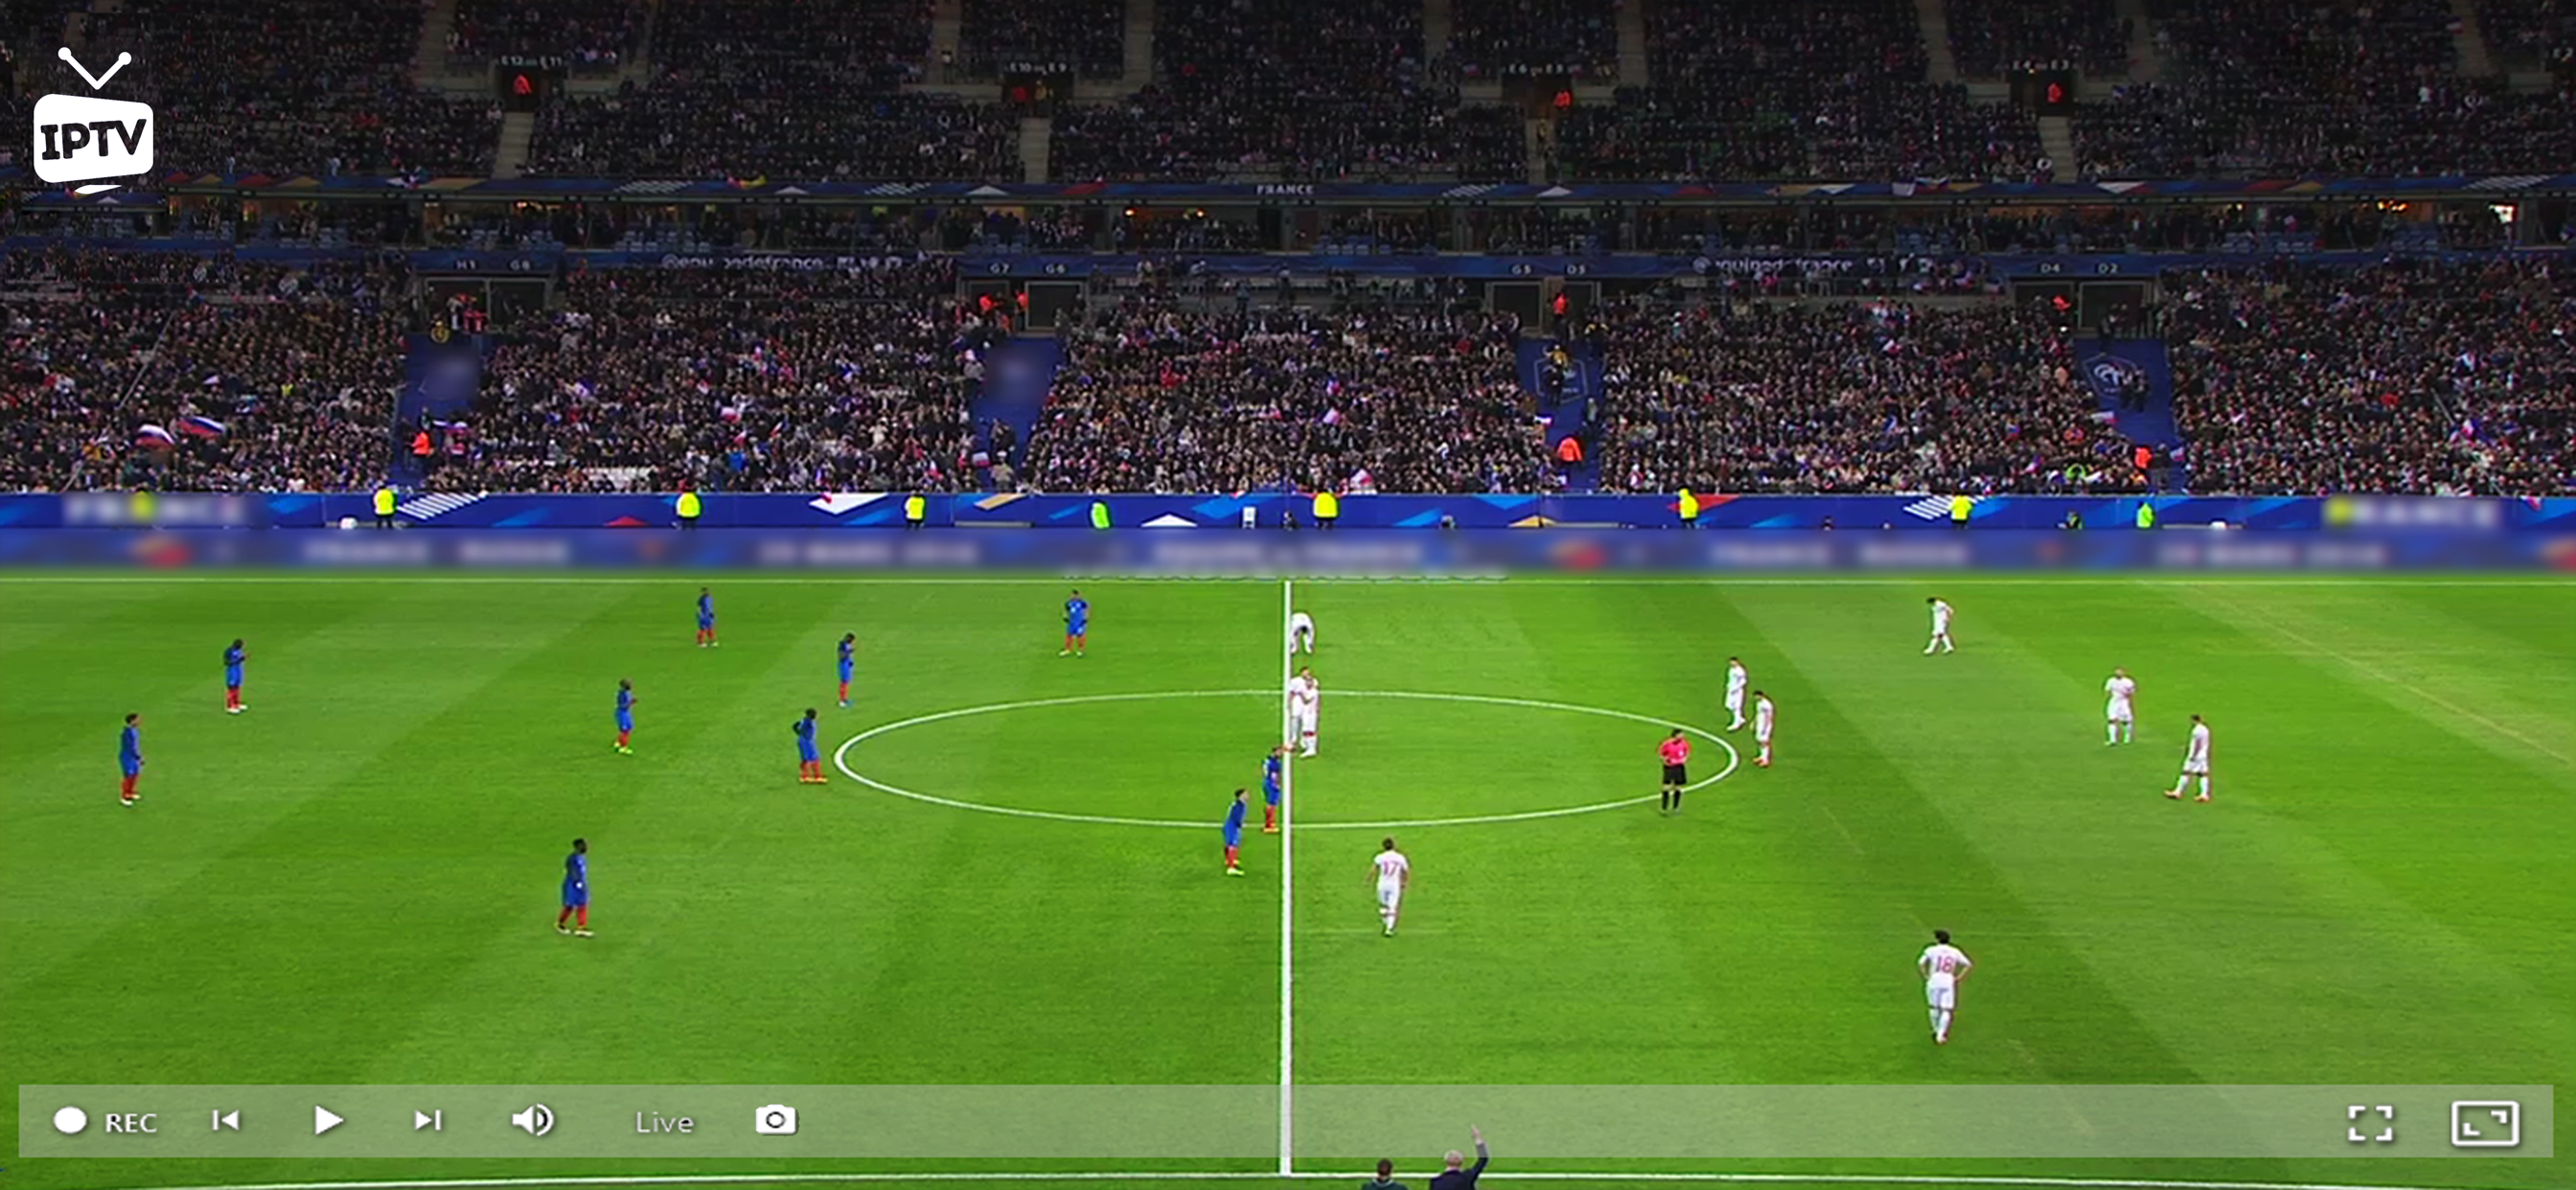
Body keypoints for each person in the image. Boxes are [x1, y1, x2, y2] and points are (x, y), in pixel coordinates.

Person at [1918, 929, 1971, 1044]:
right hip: (1948, 981)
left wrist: (1926, 976)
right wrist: (1959, 978)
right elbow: (1968, 964)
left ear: (1937, 939)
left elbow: (1921, 963)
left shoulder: (1931, 950)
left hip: (1934, 980)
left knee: (1933, 1007)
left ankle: (1936, 1030)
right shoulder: (1954, 951)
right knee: (1946, 1009)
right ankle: (1941, 1035)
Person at [2165, 714, 2212, 802]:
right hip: (2203, 755)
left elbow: (2197, 744)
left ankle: (2177, 792)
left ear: (2194, 720)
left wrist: (2193, 755)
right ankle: (2204, 794)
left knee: (2185, 773)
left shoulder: (2196, 731)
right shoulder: (2205, 729)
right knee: (2203, 774)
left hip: (2195, 756)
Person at [1372, 836, 1410, 937]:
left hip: (1382, 884)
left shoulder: (1380, 857)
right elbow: (1406, 871)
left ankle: (1387, 925)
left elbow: (1374, 870)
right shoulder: (1400, 857)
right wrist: (1405, 882)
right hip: (1394, 885)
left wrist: (1368, 879)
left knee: (1383, 906)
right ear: (1394, 845)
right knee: (1392, 907)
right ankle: (1389, 928)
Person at [1429, 1126, 1488, 1190]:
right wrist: (1478, 1138)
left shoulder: (1436, 1182)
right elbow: (1483, 1159)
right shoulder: (1467, 1177)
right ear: (1462, 1161)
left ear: (1445, 1161)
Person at [557, 838, 592, 937]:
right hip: (572, 885)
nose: (586, 847)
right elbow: (572, 870)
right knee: (570, 905)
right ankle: (560, 924)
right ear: (578, 847)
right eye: (584, 845)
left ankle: (581, 928)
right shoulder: (572, 858)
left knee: (583, 904)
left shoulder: (582, 857)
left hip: (581, 883)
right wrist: (578, 883)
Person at [1288, 665, 1321, 758]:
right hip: (1308, 712)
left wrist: (1301, 693)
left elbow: (1306, 700)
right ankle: (1308, 746)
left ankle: (1311, 749)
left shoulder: (1313, 691)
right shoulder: (1300, 685)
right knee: (1306, 730)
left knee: (1309, 730)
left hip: (1310, 713)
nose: (1308, 683)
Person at [1657, 729, 1690, 814]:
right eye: (1680, 735)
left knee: (1678, 787)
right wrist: (1665, 760)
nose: (1682, 736)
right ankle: (1664, 807)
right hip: (1670, 767)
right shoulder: (1667, 744)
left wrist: (1684, 759)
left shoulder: (1684, 744)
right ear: (1675, 735)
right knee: (1666, 787)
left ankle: (1676, 807)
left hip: (1679, 767)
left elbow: (1687, 753)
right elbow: (1661, 755)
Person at [2104, 667, 2137, 745]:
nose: (2118, 674)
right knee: (2111, 720)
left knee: (2125, 721)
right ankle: (2112, 740)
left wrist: (2130, 702)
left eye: (2120, 672)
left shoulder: (2128, 682)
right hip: (2114, 702)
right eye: (2117, 672)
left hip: (2123, 702)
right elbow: (2107, 691)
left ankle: (2127, 738)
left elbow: (2131, 693)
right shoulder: (2111, 681)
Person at [118, 712, 144, 807]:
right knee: (128, 776)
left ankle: (130, 792)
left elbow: (136, 745)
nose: (139, 721)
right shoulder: (127, 733)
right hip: (127, 757)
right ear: (132, 721)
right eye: (137, 719)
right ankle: (124, 797)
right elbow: (130, 747)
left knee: (135, 775)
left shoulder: (135, 730)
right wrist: (138, 756)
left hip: (134, 756)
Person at [794, 708, 826, 784]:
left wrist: (799, 733)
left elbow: (795, 726)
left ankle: (804, 776)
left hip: (802, 740)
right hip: (807, 742)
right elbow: (796, 726)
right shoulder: (809, 722)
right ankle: (817, 776)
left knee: (805, 758)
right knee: (815, 758)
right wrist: (803, 735)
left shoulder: (804, 720)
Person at [1223, 788, 1249, 877]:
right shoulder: (1239, 806)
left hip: (1230, 826)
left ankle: (1229, 860)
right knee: (1232, 845)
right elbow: (1236, 817)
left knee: (1231, 844)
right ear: (1240, 796)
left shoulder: (1239, 804)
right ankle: (1231, 868)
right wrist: (1240, 824)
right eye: (1245, 794)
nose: (1248, 796)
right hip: (1232, 827)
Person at [1261, 745, 1285, 834]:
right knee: (1271, 804)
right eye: (1279, 752)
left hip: (1267, 782)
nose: (1281, 753)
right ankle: (1269, 825)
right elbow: (1274, 774)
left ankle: (1270, 823)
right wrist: (1277, 784)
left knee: (1270, 804)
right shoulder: (1273, 763)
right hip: (1272, 784)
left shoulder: (1268, 760)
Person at [1061, 589, 1090, 656]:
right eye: (1073, 595)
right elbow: (1066, 610)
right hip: (1071, 622)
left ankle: (1080, 650)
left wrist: (1086, 618)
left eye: (1076, 595)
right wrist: (1065, 616)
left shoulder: (1082, 603)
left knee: (1080, 636)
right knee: (1069, 635)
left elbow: (1087, 609)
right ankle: (1067, 649)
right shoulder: (1069, 603)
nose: (1074, 596)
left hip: (1080, 622)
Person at [223, 638, 248, 714]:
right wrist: (239, 660)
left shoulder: (239, 651)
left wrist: (242, 659)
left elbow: (239, 659)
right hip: (232, 672)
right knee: (232, 688)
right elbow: (226, 662)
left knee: (237, 688)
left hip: (238, 671)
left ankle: (236, 703)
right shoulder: (229, 651)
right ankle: (230, 706)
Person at [1752, 691, 1776, 767]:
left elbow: (1768, 717)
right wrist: (1754, 722)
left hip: (1765, 726)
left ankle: (1766, 760)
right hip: (1760, 724)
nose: (1756, 698)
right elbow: (1758, 714)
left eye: (1757, 696)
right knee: (1759, 741)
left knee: (1764, 742)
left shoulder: (1767, 705)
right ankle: (1761, 757)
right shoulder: (1758, 703)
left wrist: (1765, 728)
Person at [1724, 656, 1749, 731]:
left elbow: (1743, 681)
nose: (1732, 663)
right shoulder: (1731, 669)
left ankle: (1736, 723)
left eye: (1733, 662)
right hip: (1730, 689)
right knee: (1729, 705)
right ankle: (1740, 719)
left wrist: (1736, 688)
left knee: (1736, 707)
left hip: (1737, 691)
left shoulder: (1740, 671)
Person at [613, 679, 636, 755]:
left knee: (628, 729)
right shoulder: (622, 694)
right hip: (622, 713)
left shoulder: (627, 692)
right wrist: (631, 702)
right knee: (625, 731)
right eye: (629, 685)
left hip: (626, 713)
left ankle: (619, 743)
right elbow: (622, 706)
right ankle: (623, 748)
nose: (631, 686)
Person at [837, 632, 858, 708]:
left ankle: (845, 699)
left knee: (847, 683)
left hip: (848, 665)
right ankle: (842, 701)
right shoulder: (842, 645)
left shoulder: (848, 645)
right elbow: (841, 656)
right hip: (844, 666)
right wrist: (849, 652)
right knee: (844, 683)